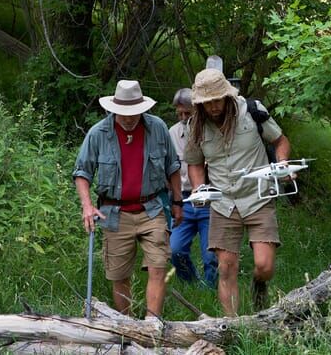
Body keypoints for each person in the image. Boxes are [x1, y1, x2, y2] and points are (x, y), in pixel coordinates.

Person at [73, 80, 183, 320]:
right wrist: (87, 206)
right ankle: (128, 325)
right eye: (123, 113)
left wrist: (177, 202)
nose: (129, 118)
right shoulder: (99, 133)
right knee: (119, 275)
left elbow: (173, 167)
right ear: (114, 109)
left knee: (158, 266)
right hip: (114, 213)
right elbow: (82, 173)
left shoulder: (158, 128)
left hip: (152, 208)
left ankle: (152, 324)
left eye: (134, 113)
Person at [185, 69, 291, 316]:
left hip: (258, 196)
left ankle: (259, 285)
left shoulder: (251, 111)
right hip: (223, 203)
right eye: (207, 102)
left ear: (227, 96)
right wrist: (200, 187)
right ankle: (232, 326)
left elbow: (280, 141)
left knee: (264, 266)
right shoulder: (196, 125)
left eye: (217, 100)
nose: (213, 107)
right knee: (226, 267)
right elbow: (195, 163)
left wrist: (282, 163)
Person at [169, 88, 218, 288]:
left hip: (209, 199)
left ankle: (211, 290)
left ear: (197, 111)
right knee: (175, 250)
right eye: (179, 113)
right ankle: (192, 284)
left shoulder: (211, 131)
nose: (182, 118)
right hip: (184, 199)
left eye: (187, 113)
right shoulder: (172, 133)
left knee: (211, 254)